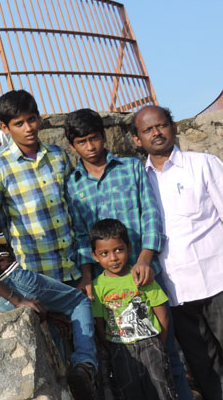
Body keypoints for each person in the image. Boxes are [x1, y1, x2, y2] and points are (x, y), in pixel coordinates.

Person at [0, 131, 98, 400]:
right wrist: (16, 299)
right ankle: (86, 365)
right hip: (10, 280)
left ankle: (68, 384)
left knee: (50, 331)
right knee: (79, 302)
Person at [65, 108, 193, 399]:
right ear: (72, 146)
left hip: (144, 276)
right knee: (124, 369)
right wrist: (87, 276)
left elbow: (150, 213)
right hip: (109, 290)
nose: (90, 146)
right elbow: (80, 233)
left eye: (94, 138)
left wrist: (145, 259)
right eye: (82, 142)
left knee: (168, 360)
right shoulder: (73, 184)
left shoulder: (131, 168)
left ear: (104, 135)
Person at [133, 105, 223, 400]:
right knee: (204, 367)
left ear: (172, 127)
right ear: (137, 139)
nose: (156, 133)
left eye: (161, 125)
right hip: (175, 291)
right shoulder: (138, 179)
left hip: (218, 281)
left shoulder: (203, 164)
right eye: (147, 130)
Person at [0, 89, 80, 283]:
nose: (28, 128)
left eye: (31, 119)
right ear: (5, 128)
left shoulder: (58, 155)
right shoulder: (0, 167)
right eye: (19, 124)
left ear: (39, 118)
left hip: (73, 264)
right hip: (35, 271)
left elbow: (73, 205)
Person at [90, 218, 176, 400]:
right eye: (104, 253)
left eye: (118, 250)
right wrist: (114, 347)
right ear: (95, 256)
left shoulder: (141, 276)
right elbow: (99, 324)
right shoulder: (97, 287)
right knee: (128, 393)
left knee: (162, 392)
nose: (113, 258)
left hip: (150, 345)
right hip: (120, 350)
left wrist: (158, 344)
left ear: (129, 248)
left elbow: (163, 315)